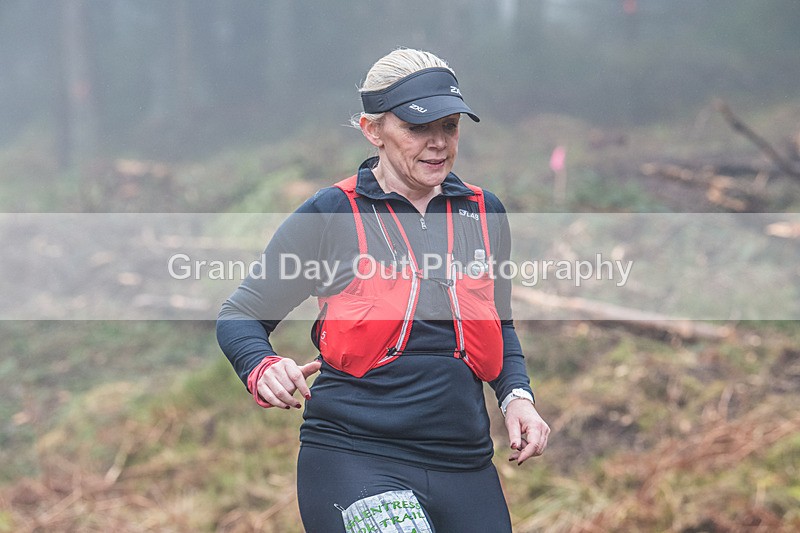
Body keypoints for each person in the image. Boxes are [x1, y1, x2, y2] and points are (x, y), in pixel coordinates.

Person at [217, 48, 550, 532]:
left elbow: (498, 325)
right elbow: (241, 314)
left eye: (450, 126)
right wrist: (261, 365)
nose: (438, 143)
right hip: (355, 455)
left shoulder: (483, 211)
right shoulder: (332, 212)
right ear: (373, 130)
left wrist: (517, 396)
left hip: (465, 463)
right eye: (418, 128)